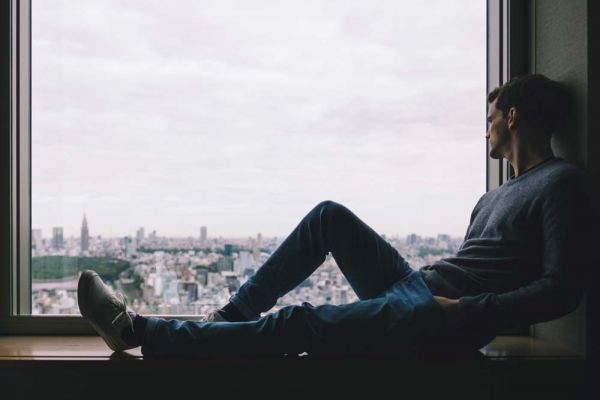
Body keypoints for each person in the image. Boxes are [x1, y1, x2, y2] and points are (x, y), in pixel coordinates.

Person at [77, 74, 595, 359]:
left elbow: (562, 289)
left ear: (512, 117)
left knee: (299, 321)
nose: (485, 132)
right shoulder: (494, 197)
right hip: (423, 290)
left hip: (441, 318)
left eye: (490, 121)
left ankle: (136, 331)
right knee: (329, 217)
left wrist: (463, 310)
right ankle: (230, 317)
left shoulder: (560, 182)